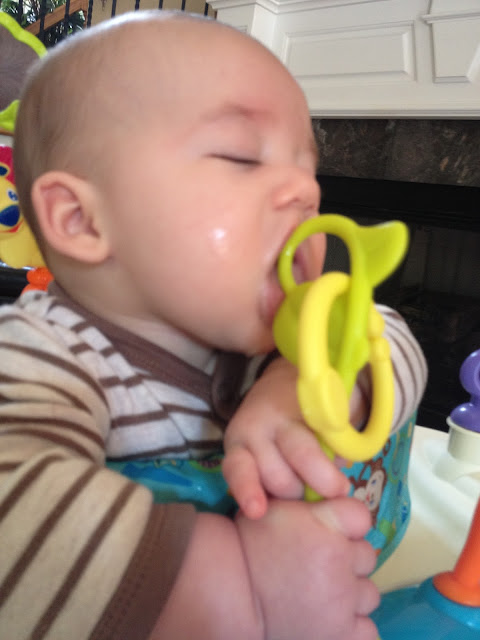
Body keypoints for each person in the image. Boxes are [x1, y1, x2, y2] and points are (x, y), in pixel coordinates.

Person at [0, 10, 427, 640]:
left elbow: (389, 333)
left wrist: (308, 384)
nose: (305, 194)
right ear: (82, 220)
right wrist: (244, 592)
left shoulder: (279, 334)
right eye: (241, 156)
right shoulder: (42, 354)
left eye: (308, 170)